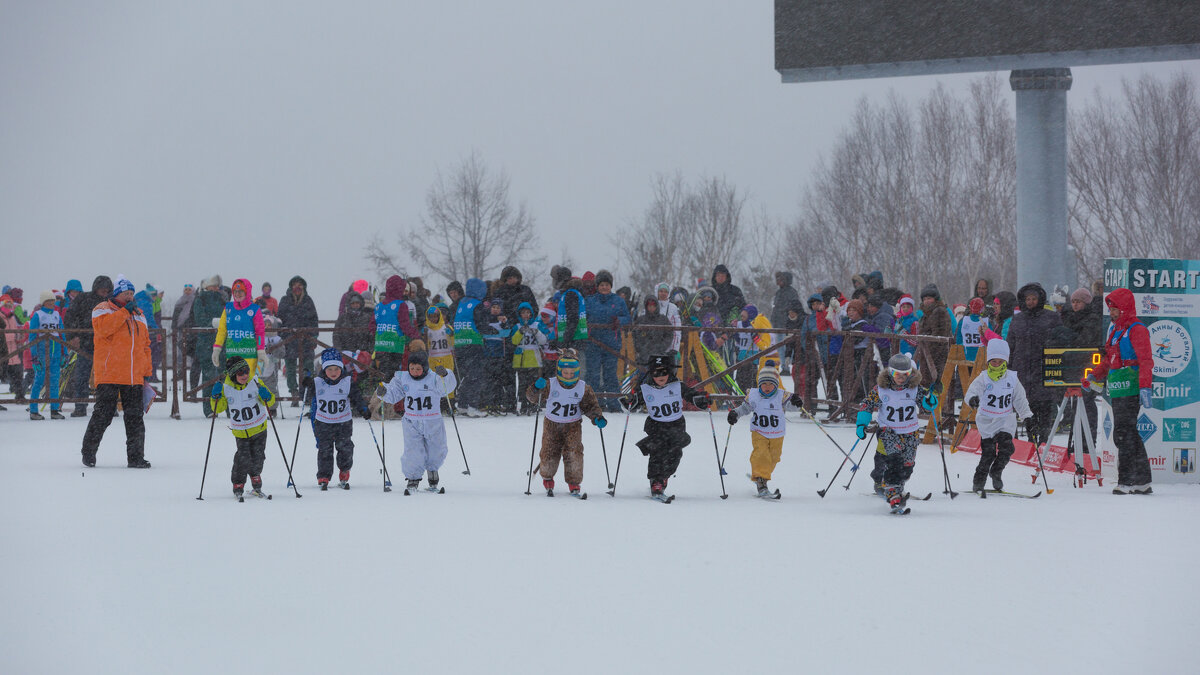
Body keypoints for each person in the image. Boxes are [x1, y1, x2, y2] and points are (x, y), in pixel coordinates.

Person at [1082, 288, 1155, 495]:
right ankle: (1142, 480)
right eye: (1110, 310)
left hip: (1131, 387)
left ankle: (1126, 480)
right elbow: (1109, 359)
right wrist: (1094, 374)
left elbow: (1146, 361)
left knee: (1123, 433)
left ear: (1124, 309)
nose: (1111, 313)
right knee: (1128, 432)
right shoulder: (1114, 332)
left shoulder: (1137, 329)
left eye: (1115, 310)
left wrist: (1144, 387)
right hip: (1117, 387)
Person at [80, 275, 152, 469]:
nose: (130, 297)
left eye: (131, 293)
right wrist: (123, 313)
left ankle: (136, 458)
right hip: (109, 373)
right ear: (117, 294)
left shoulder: (140, 314)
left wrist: (146, 370)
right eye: (126, 293)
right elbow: (104, 330)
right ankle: (88, 452)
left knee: (135, 418)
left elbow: (146, 345)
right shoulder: (102, 309)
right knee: (103, 415)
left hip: (133, 376)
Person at [857, 353, 939, 513]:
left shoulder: (915, 389)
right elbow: (866, 405)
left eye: (905, 375)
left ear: (911, 374)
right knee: (894, 461)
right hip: (889, 431)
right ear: (890, 373)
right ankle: (893, 493)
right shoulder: (881, 390)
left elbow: (927, 406)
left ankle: (896, 487)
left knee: (907, 465)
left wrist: (931, 399)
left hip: (910, 433)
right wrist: (861, 424)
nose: (901, 379)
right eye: (896, 375)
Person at [623, 354, 709, 499]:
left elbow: (692, 395)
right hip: (656, 425)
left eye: (664, 372)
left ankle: (664, 477)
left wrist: (701, 399)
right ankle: (656, 480)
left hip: (676, 424)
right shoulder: (646, 389)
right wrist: (630, 401)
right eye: (656, 373)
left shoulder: (677, 386)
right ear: (651, 373)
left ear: (670, 371)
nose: (660, 376)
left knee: (674, 453)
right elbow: (633, 404)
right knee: (658, 451)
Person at [527, 349, 605, 497]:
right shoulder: (550, 384)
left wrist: (597, 417)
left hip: (573, 425)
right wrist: (536, 388)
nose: (568, 375)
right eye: (565, 372)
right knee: (549, 452)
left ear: (577, 372)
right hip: (552, 424)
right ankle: (547, 478)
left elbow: (590, 406)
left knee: (574, 453)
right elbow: (532, 398)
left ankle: (574, 482)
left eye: (572, 373)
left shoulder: (583, 387)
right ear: (559, 371)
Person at [378, 348, 458, 494]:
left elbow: (446, 388)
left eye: (418, 369)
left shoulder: (433, 378)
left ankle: (433, 469)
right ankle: (413, 477)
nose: (414, 371)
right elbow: (394, 392)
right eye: (411, 368)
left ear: (425, 368)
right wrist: (384, 392)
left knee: (436, 448)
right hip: (411, 421)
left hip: (432, 420)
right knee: (413, 450)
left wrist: (444, 375)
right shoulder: (403, 378)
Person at [963, 339, 1032, 492]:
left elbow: (1020, 399)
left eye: (1000, 361)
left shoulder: (1012, 379)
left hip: (1005, 420)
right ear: (989, 361)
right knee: (988, 453)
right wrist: (972, 399)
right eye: (993, 361)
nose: (996, 364)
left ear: (1005, 362)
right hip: (987, 420)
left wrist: (1026, 416)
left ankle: (996, 472)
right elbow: (971, 392)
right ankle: (979, 480)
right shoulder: (983, 378)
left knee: (1007, 449)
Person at [727, 361, 803, 498]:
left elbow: (793, 407)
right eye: (764, 384)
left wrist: (797, 402)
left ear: (776, 384)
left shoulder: (781, 395)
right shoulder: (754, 395)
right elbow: (745, 408)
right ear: (759, 383)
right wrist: (735, 414)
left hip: (777, 433)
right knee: (761, 454)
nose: (767, 387)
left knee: (774, 457)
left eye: (771, 384)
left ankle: (760, 475)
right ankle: (762, 482)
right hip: (759, 431)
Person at [303, 348, 371, 490]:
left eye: (336, 369)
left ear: (341, 368)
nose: (333, 373)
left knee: (345, 448)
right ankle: (324, 476)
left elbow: (356, 397)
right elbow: (307, 393)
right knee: (324, 451)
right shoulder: (318, 382)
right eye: (330, 369)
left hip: (343, 422)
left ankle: (344, 471)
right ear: (324, 369)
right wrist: (306, 382)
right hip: (323, 422)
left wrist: (363, 408)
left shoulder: (347, 382)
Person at [209, 356, 276, 500]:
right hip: (240, 431)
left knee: (258, 456)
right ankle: (238, 483)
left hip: (259, 428)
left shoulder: (255, 382)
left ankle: (255, 475)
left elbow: (270, 401)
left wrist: (267, 396)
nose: (245, 375)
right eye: (240, 373)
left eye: (246, 371)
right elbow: (219, 408)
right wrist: (215, 397)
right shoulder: (226, 387)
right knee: (242, 457)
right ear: (233, 375)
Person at [1006, 283, 1062, 446]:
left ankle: (1044, 441)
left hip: (1044, 368)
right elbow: (1011, 343)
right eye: (1028, 299)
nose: (1030, 302)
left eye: (1033, 299)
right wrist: (1008, 366)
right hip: (1022, 369)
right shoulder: (1018, 319)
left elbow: (1060, 340)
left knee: (1045, 407)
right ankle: (1031, 441)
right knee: (1026, 407)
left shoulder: (1050, 317)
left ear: (1040, 299)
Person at [63, 275, 113, 416]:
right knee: (82, 376)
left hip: (106, 345)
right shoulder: (83, 299)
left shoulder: (112, 302)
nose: (104, 294)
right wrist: (73, 336)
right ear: (96, 289)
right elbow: (70, 316)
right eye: (102, 291)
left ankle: (108, 407)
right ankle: (80, 406)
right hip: (86, 344)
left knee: (107, 377)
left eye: (107, 291)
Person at [584, 270, 631, 412]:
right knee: (593, 375)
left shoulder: (618, 301)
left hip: (611, 344)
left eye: (607, 285)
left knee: (610, 375)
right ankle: (595, 403)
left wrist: (619, 321)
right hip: (593, 344)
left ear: (611, 286)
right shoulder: (590, 301)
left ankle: (614, 403)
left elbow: (628, 318)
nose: (604, 287)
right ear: (597, 286)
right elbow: (583, 318)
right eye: (602, 284)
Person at [451, 278, 492, 417]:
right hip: (474, 344)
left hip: (460, 344)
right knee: (476, 376)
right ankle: (472, 406)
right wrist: (493, 330)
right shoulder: (477, 305)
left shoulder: (461, 304)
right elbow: (482, 325)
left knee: (466, 376)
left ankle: (462, 404)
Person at [277, 275, 319, 406]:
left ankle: (306, 393)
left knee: (308, 367)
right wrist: (282, 336)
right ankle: (294, 393)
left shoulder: (308, 301)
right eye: (295, 285)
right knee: (290, 368)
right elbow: (280, 319)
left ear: (304, 287)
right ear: (291, 287)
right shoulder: (285, 300)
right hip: (289, 339)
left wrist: (314, 337)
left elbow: (314, 320)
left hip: (306, 339)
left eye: (300, 285)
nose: (297, 287)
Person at [212, 278, 267, 378]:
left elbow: (260, 332)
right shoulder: (228, 308)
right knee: (233, 387)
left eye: (241, 291)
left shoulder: (254, 309)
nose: (237, 294)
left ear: (247, 292)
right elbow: (222, 331)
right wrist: (217, 348)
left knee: (249, 388)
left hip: (250, 355)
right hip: (232, 356)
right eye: (235, 291)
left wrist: (261, 350)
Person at [373, 275, 420, 386]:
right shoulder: (401, 305)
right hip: (394, 347)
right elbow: (405, 326)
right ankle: (389, 400)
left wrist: (381, 335)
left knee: (383, 376)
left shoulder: (379, 306)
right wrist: (417, 336)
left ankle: (381, 398)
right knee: (393, 378)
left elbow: (372, 326)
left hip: (380, 347)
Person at [191, 276, 226, 417]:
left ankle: (229, 407)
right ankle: (210, 408)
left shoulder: (222, 298)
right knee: (209, 376)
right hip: (206, 342)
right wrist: (215, 323)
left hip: (222, 341)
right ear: (207, 287)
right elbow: (199, 319)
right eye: (214, 285)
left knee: (226, 375)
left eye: (218, 285)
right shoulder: (200, 299)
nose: (216, 288)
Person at [28, 291, 65, 419]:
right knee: (39, 380)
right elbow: (32, 337)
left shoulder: (57, 314)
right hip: (42, 352)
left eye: (53, 300)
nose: (51, 303)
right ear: (43, 302)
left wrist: (64, 352)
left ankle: (54, 410)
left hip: (56, 352)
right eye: (48, 300)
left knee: (55, 381)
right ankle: (33, 410)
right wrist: (34, 356)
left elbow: (62, 334)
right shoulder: (38, 315)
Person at [511, 302, 549, 415]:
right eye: (523, 313)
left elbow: (543, 340)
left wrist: (537, 332)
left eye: (528, 313)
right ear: (520, 314)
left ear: (531, 314)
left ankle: (532, 403)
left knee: (533, 383)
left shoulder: (537, 325)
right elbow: (513, 341)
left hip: (534, 359)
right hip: (521, 360)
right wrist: (520, 332)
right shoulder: (517, 326)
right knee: (522, 383)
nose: (526, 315)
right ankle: (523, 403)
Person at [916, 284, 952, 386]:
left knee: (937, 381)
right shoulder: (926, 314)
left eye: (929, 298)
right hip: (928, 353)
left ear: (935, 299)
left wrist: (928, 350)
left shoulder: (939, 311)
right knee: (927, 382)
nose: (926, 301)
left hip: (937, 354)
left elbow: (939, 335)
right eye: (924, 299)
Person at [0, 294, 25, 403]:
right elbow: (3, 334)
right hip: (3, 351)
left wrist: (20, 336)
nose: (9, 306)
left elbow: (15, 331)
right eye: (7, 303)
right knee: (2, 375)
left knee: (18, 374)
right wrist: (13, 336)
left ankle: (20, 396)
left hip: (14, 351)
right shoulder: (1, 316)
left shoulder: (13, 317)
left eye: (10, 303)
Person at [956, 297, 988, 362]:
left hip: (966, 356)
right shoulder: (986, 322)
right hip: (982, 358)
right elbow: (991, 339)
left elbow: (958, 339)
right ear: (982, 309)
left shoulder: (963, 321)